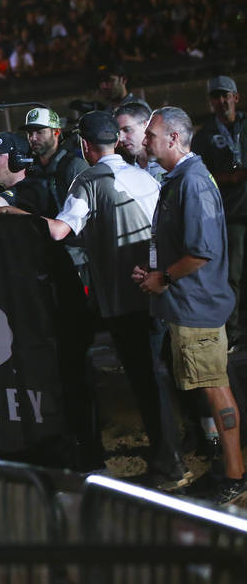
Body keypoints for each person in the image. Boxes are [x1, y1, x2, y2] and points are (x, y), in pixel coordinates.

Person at [0, 111, 188, 489]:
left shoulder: (89, 179)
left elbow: (59, 230)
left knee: (146, 380)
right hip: (160, 289)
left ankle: (169, 463)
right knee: (160, 376)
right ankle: (179, 448)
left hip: (124, 297)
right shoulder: (143, 175)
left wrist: (10, 211)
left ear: (83, 145)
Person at [133, 106, 245, 505]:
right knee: (206, 389)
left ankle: (234, 475)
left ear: (174, 139)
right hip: (188, 305)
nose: (145, 141)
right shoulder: (181, 178)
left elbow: (202, 251)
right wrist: (154, 272)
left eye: (150, 135)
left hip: (197, 308)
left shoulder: (192, 182)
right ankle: (224, 469)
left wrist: (162, 278)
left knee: (215, 389)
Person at [191, 76, 247, 349]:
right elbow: (199, 176)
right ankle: (234, 333)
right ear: (211, 102)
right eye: (216, 96)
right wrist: (228, 179)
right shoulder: (204, 135)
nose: (222, 101)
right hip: (231, 215)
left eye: (226, 95)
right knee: (233, 276)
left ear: (236, 97)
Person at [21, 107, 88, 214]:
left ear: (56, 132)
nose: (33, 138)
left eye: (39, 132)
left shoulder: (74, 166)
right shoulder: (30, 168)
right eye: (30, 133)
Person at [114, 101, 165, 182]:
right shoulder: (121, 170)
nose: (121, 138)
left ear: (146, 125)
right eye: (118, 133)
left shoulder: (168, 165)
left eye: (127, 130)